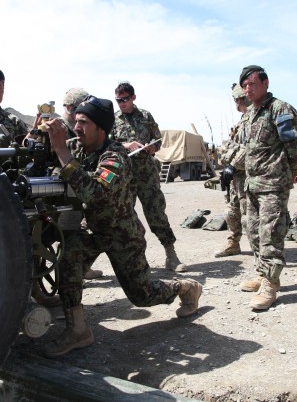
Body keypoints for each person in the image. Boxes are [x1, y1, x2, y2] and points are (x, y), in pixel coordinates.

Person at [41, 95, 202, 357]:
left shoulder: (116, 156)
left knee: (142, 296)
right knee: (68, 264)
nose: (77, 127)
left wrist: (61, 151)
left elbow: (93, 192)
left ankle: (185, 288)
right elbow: (50, 150)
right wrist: (42, 135)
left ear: (101, 129)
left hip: (121, 234)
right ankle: (78, 330)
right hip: (90, 230)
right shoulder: (80, 146)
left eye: (83, 122)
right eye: (75, 121)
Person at [236, 65, 297, 310]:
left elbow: (296, 145)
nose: (248, 89)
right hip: (252, 184)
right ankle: (262, 271)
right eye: (245, 85)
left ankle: (271, 282)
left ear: (265, 83)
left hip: (273, 184)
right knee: (252, 229)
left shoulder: (280, 109)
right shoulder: (249, 114)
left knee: (271, 234)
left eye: (252, 84)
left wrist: (293, 172)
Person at [24, 88, 103, 281]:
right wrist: (36, 129)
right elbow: (29, 146)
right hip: (55, 184)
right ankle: (64, 277)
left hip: (77, 182)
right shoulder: (55, 124)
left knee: (74, 228)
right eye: (76, 108)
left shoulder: (83, 125)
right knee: (54, 229)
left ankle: (79, 269)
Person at [110, 82, 187, 272]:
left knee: (156, 213)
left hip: (146, 174)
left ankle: (171, 256)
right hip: (125, 176)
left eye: (125, 99)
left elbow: (158, 138)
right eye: (118, 100)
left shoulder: (145, 116)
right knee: (124, 216)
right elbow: (107, 144)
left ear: (133, 97)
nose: (122, 103)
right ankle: (133, 261)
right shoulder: (113, 120)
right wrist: (126, 146)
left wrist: (153, 146)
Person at [215, 83, 250, 258]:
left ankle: (262, 253)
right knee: (231, 212)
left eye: (237, 99)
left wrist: (233, 165)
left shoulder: (254, 119)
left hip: (249, 176)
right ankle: (233, 242)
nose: (235, 103)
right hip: (237, 176)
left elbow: (251, 149)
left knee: (249, 215)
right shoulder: (242, 122)